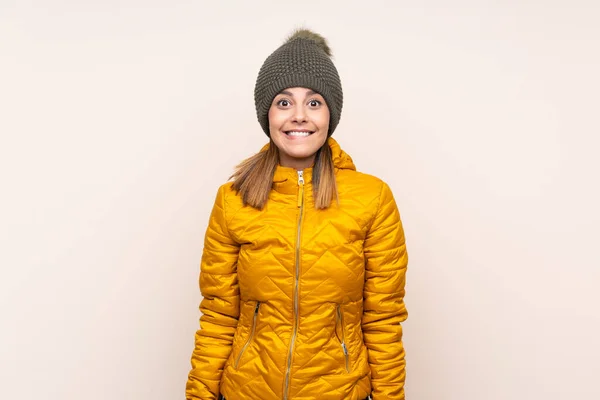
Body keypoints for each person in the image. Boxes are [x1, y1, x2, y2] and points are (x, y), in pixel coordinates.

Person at [185, 28, 409, 400]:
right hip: (246, 391)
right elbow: (218, 315)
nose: (299, 117)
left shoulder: (373, 198)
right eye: (284, 102)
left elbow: (383, 319)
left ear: (330, 114)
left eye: (314, 102)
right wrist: (199, 395)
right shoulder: (232, 199)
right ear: (267, 114)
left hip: (340, 391)